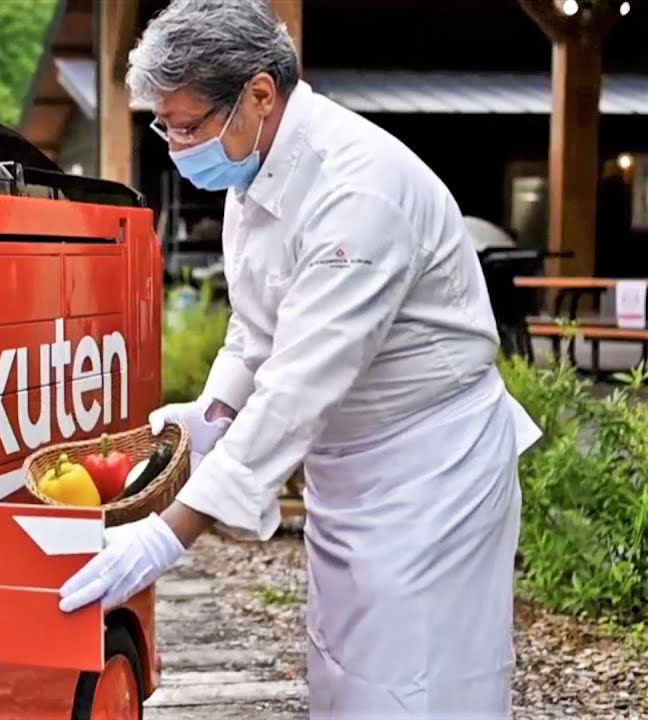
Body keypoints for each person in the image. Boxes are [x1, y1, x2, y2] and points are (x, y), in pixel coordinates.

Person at [56, 0, 543, 717]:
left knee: (421, 685)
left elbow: (298, 386)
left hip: (431, 468)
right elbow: (258, 326)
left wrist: (167, 534)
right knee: (347, 671)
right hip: (350, 466)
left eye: (186, 126)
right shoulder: (253, 171)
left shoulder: (358, 191)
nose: (176, 145)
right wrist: (213, 411)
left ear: (259, 93)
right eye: (165, 126)